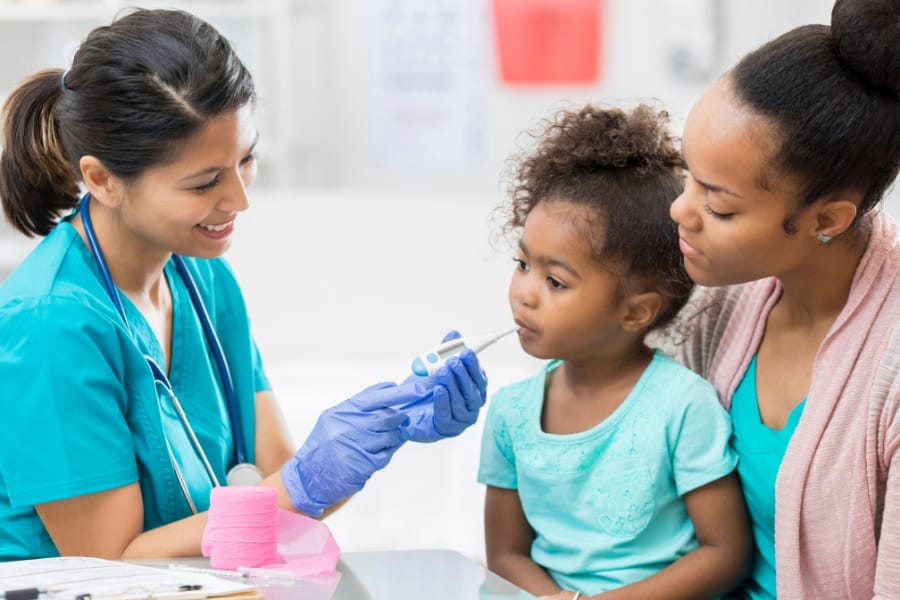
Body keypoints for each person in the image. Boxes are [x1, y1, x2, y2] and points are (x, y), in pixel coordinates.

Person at [0, 8, 487, 561]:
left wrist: (378, 437)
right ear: (102, 179)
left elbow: (282, 482)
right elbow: (110, 564)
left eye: (246, 159)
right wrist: (303, 481)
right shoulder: (48, 323)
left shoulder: (204, 278)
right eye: (205, 181)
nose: (240, 199)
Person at [669, 0, 900, 597]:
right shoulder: (719, 307)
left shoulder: (890, 370)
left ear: (828, 218)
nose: (680, 210)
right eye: (686, 175)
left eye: (718, 206)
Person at [478, 103, 752, 599]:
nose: (524, 292)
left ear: (635, 313)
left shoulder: (683, 406)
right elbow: (505, 555)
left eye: (556, 281)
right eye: (523, 264)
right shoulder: (510, 414)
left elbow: (724, 554)